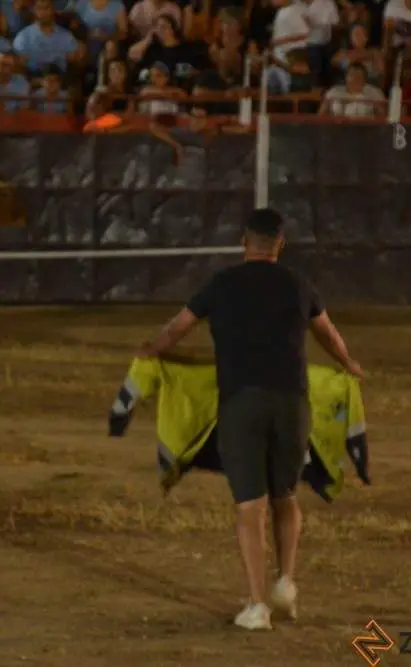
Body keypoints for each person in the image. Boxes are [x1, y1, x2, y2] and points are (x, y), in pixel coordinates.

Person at [137, 207, 364, 631]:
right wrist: (348, 363)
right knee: (286, 495)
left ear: (244, 242)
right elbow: (328, 334)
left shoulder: (222, 283)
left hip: (242, 403)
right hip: (292, 404)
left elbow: (177, 327)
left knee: (250, 506)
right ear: (281, 244)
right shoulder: (298, 284)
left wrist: (151, 351)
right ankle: (286, 583)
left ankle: (258, 606)